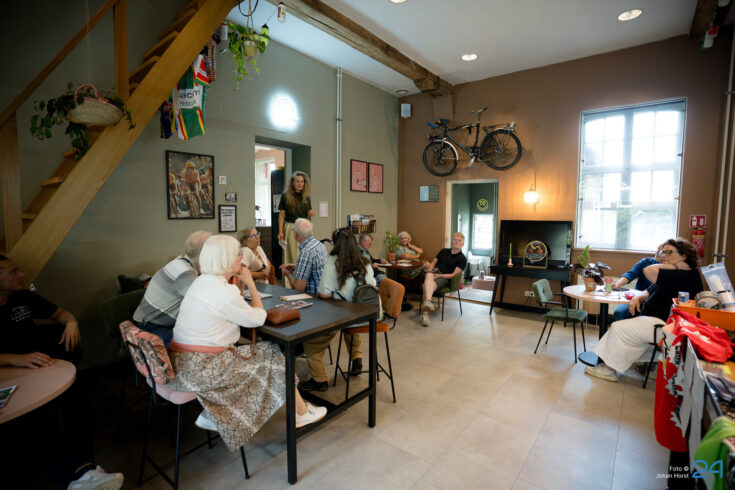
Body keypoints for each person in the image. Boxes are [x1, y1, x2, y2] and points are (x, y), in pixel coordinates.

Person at [167, 235, 327, 451]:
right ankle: (300, 413)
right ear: (225, 259)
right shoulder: (222, 291)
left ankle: (216, 413)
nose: (242, 258)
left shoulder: (202, 282)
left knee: (266, 353)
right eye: (238, 254)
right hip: (205, 369)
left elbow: (230, 309)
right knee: (272, 353)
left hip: (184, 363)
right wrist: (250, 283)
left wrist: (238, 286)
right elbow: (258, 318)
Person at [0, 255, 124, 489]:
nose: (22, 275)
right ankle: (69, 480)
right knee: (35, 415)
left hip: (36, 367)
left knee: (79, 389)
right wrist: (15, 359)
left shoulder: (22, 297)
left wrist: (72, 323)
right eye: (13, 272)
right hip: (10, 374)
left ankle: (85, 469)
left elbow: (60, 313)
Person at [585, 238, 704, 382]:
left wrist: (676, 266)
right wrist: (637, 297)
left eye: (669, 252)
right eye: (663, 252)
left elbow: (648, 270)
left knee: (618, 328)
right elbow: (649, 289)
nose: (664, 255)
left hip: (665, 325)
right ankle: (647, 364)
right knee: (629, 331)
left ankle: (608, 370)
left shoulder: (685, 274)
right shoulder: (677, 273)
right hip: (657, 320)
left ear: (684, 256)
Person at [299, 228, 378, 392]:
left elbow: (323, 293)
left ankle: (319, 380)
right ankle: (356, 357)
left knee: (311, 342)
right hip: (369, 315)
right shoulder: (364, 260)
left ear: (335, 244)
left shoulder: (332, 261)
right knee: (351, 324)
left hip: (346, 317)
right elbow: (373, 285)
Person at [133, 231, 211, 346]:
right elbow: (205, 304)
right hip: (151, 328)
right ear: (204, 253)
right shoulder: (186, 273)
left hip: (149, 322)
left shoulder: (181, 260)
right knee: (203, 342)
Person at [421, 232, 467, 327]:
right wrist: (431, 270)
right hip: (434, 273)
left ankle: (425, 314)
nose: (456, 242)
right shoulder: (443, 251)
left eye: (459, 241)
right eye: (455, 240)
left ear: (463, 243)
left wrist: (438, 276)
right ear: (452, 241)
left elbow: (452, 275)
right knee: (428, 275)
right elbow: (433, 263)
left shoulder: (462, 258)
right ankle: (428, 303)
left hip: (445, 278)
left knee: (426, 285)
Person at [277, 172, 315, 287]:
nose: (300, 184)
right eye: (297, 181)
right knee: (291, 255)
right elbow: (281, 215)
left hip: (303, 227)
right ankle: (289, 285)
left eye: (302, 181)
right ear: (293, 183)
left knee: (303, 254)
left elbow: (308, 212)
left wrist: (310, 213)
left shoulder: (306, 197)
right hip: (291, 227)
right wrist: (280, 231)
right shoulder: (286, 196)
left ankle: (301, 282)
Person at [612, 243, 662, 321]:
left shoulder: (671, 271)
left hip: (654, 302)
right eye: (657, 250)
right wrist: (617, 284)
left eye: (661, 251)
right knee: (619, 313)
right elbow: (630, 274)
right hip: (636, 298)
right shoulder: (645, 262)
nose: (657, 252)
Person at [279, 218, 327, 295]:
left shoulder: (306, 252)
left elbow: (298, 288)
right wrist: (297, 266)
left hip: (312, 297)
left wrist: (288, 274)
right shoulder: (320, 245)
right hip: (322, 293)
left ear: (296, 234)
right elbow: (316, 268)